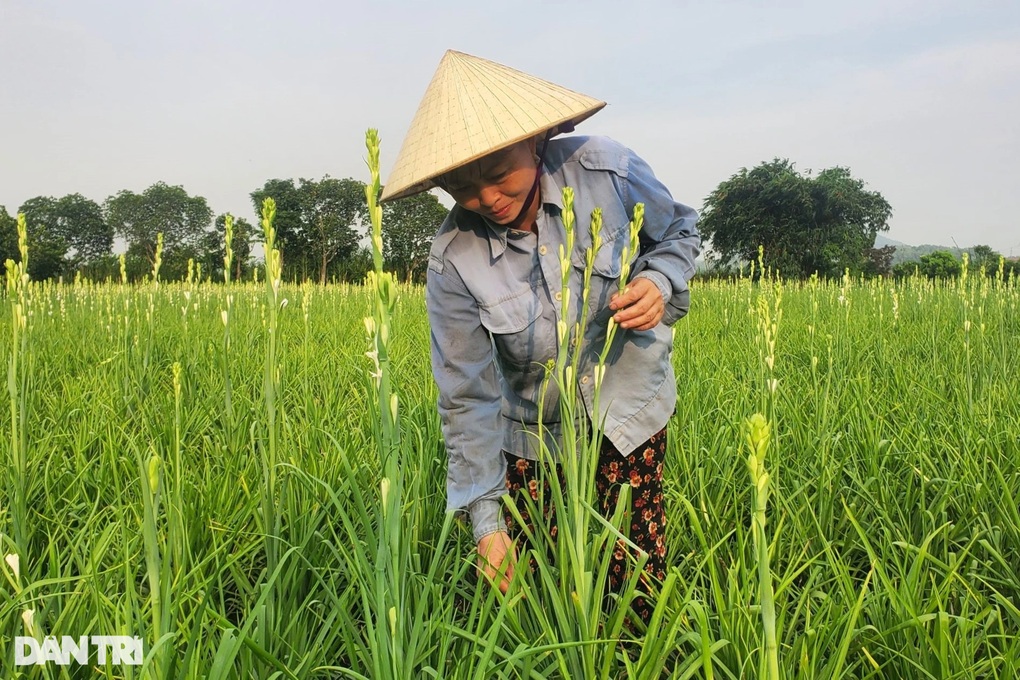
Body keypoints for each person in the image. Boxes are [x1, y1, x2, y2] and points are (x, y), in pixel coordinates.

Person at [380, 51, 700, 617]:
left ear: (536, 140)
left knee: (634, 581)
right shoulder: (453, 260)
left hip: (626, 413)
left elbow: (678, 229)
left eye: (498, 174)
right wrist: (485, 523)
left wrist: (658, 278)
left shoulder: (608, 170)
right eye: (462, 188)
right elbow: (466, 397)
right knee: (539, 590)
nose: (486, 198)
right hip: (533, 436)